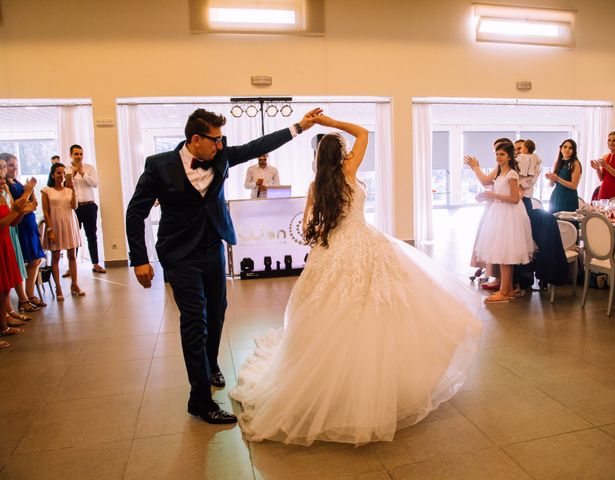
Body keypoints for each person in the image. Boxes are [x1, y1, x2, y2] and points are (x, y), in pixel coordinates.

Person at [230, 115, 482, 445]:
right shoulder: (350, 173)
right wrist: (326, 120)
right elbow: (363, 132)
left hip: (332, 249)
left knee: (329, 311)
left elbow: (309, 226)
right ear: (342, 154)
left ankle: (331, 381)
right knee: (375, 309)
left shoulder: (315, 185)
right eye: (346, 149)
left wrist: (323, 232)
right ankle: (371, 382)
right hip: (364, 243)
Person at [126, 107, 322, 425]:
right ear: (195, 140)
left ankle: (211, 363)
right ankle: (200, 402)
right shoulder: (158, 166)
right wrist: (139, 260)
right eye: (215, 140)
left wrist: (298, 127)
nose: (221, 145)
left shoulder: (220, 156)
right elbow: (135, 212)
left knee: (217, 311)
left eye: (222, 140)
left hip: (213, 246)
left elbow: (256, 146)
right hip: (179, 253)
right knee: (195, 320)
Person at [468, 141, 534, 303]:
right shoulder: (500, 173)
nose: (498, 157)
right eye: (497, 154)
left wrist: (493, 196)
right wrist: (484, 196)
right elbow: (496, 191)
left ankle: (504, 292)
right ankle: (508, 289)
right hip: (499, 213)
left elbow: (515, 199)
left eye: (502, 154)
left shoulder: (512, 174)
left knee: (506, 255)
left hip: (509, 215)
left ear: (510, 156)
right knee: (503, 254)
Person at [3, 153, 47, 310]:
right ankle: (23, 299)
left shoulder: (17, 182)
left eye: (15, 164)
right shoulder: (6, 186)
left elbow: (32, 203)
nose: (14, 168)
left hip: (29, 223)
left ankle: (30, 294)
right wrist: (28, 191)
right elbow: (18, 205)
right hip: (18, 225)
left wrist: (30, 190)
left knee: (35, 260)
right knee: (20, 263)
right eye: (10, 165)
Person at [0, 175, 37, 348]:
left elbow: (12, 223)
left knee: (5, 288)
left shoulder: (2, 196)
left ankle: (4, 326)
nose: (3, 181)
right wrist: (17, 209)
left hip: (6, 243)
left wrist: (22, 212)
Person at [41, 163, 84, 301]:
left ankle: (75, 285)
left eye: (63, 173)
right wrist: (50, 229)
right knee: (55, 257)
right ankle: (58, 287)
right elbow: (46, 212)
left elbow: (74, 206)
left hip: (69, 222)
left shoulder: (69, 189)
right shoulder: (46, 190)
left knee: (72, 255)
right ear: (53, 175)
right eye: (58, 173)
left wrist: (73, 190)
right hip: (55, 224)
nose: (61, 175)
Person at [67, 144, 106, 274]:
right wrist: (72, 174)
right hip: (74, 208)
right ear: (70, 155)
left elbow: (95, 184)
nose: (79, 156)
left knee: (92, 236)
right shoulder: (66, 169)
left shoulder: (89, 168)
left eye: (81, 154)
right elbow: (65, 187)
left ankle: (95, 264)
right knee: (73, 238)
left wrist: (83, 173)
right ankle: (71, 267)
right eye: (76, 154)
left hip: (89, 206)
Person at [547, 139, 582, 214]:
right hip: (556, 196)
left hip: (568, 197)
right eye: (565, 147)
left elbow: (574, 186)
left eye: (570, 148)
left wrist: (557, 178)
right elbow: (551, 185)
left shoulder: (575, 163)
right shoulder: (558, 163)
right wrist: (551, 178)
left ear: (574, 150)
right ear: (561, 149)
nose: (567, 150)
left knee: (567, 223)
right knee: (553, 222)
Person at [591, 131, 615, 200]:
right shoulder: (605, 157)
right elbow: (601, 178)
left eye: (614, 141)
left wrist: (606, 166)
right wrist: (597, 169)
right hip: (604, 190)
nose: (611, 143)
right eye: (609, 140)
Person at [516, 139, 542, 213]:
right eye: (515, 149)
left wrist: (520, 185)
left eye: (520, 148)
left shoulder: (535, 165)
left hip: (525, 197)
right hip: (512, 198)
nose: (518, 151)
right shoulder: (513, 163)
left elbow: (532, 180)